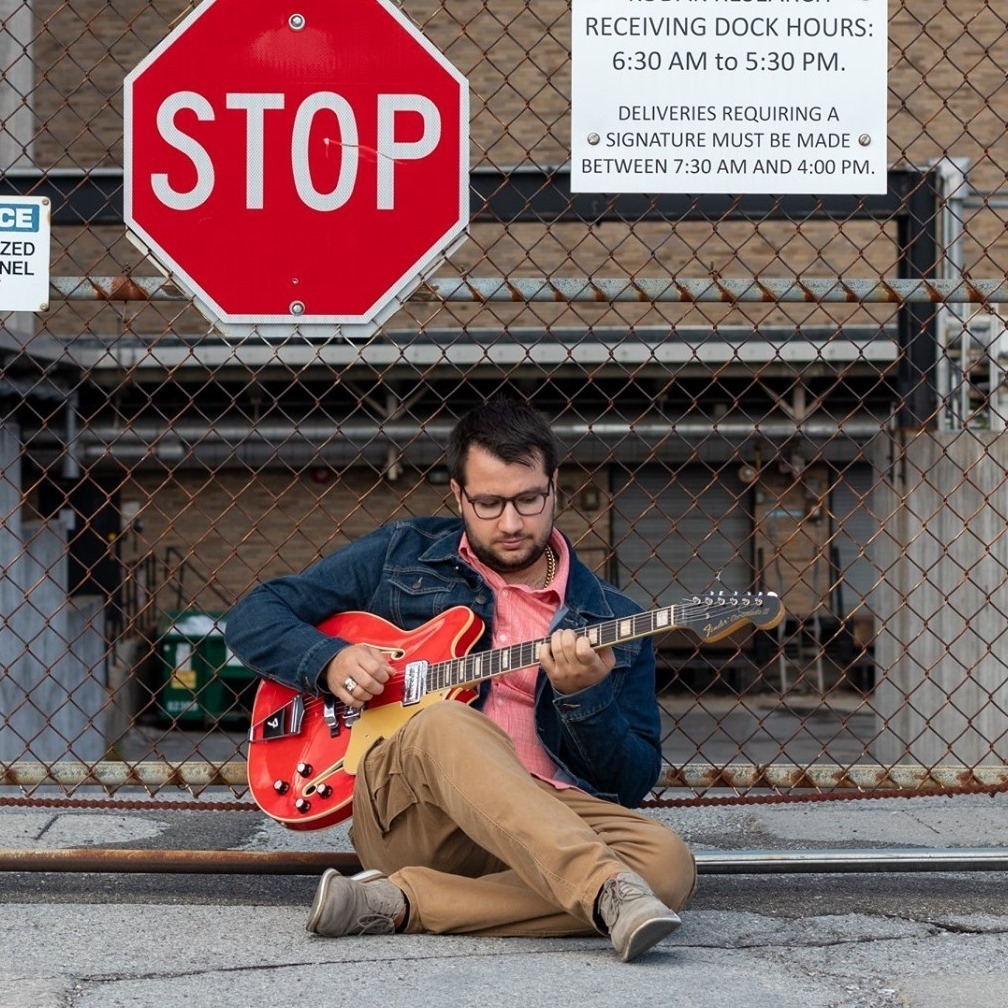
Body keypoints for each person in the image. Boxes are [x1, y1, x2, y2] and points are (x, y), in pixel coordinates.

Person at [225, 395, 696, 962]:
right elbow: (256, 614)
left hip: (549, 813)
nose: (513, 523)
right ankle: (603, 891)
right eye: (490, 504)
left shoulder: (613, 620)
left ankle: (400, 904)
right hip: (417, 814)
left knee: (669, 866)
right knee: (446, 720)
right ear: (458, 496)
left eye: (528, 500)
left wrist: (585, 698)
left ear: (555, 490)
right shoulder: (403, 554)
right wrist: (328, 660)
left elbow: (632, 781)